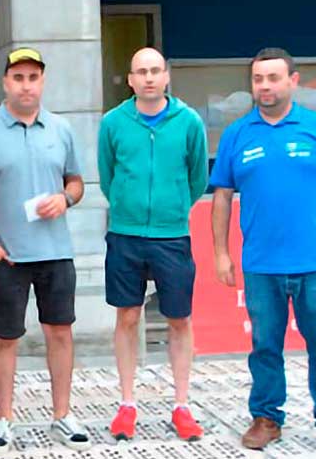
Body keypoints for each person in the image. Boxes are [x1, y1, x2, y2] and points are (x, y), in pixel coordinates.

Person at [210, 48, 316, 457]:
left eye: (273, 78)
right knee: (264, 346)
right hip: (262, 266)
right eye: (258, 79)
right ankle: (266, 418)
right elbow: (222, 197)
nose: (265, 86)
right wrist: (221, 253)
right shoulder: (237, 134)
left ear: (293, 81)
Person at [0, 48, 92, 454]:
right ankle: (3, 419)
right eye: (18, 77)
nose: (26, 85)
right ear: (5, 82)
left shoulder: (61, 129)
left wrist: (65, 199)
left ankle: (62, 414)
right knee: (5, 336)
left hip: (56, 251)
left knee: (60, 332)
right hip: (8, 255)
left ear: (43, 81)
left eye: (33, 77)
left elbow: (76, 182)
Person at [96, 47, 208, 442]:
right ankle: (127, 404)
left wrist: (172, 208)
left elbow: (197, 178)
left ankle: (181, 405)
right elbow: (107, 175)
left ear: (166, 76)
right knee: (127, 316)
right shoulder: (113, 123)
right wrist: (126, 205)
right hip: (125, 235)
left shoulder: (189, 122)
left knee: (179, 319)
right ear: (130, 80)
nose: (148, 78)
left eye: (155, 70)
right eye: (141, 71)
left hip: (171, 236)